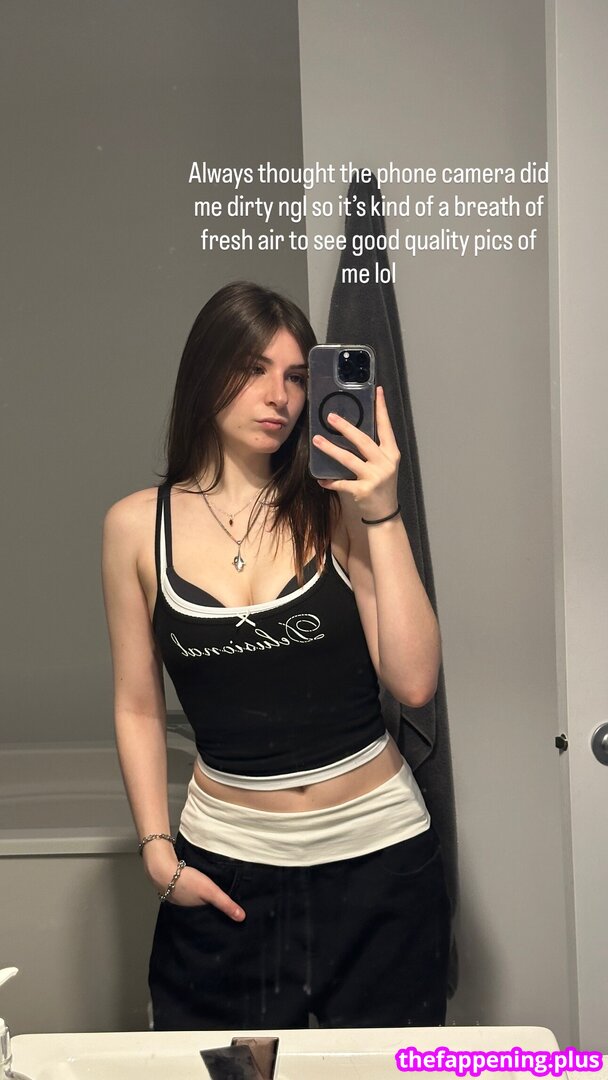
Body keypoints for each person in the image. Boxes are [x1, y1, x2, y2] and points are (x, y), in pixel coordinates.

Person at [101, 280, 450, 1031]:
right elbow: (137, 704)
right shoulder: (134, 527)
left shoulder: (336, 506)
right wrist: (158, 853)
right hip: (226, 869)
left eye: (295, 377)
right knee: (223, 1071)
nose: (279, 397)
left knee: (384, 1078)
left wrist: (382, 512)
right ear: (205, 374)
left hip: (380, 859)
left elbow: (415, 682)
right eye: (254, 369)